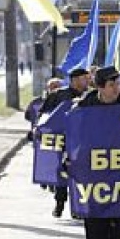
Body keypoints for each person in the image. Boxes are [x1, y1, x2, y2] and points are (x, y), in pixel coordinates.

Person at [71, 66, 120, 239]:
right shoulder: (85, 105)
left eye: (118, 84)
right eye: (112, 85)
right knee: (96, 218)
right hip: (94, 172)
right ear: (100, 87)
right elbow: (73, 135)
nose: (117, 89)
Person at [39, 67, 91, 218]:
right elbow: (45, 115)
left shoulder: (90, 96)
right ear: (74, 80)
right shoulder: (59, 95)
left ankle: (78, 207)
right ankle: (60, 203)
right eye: (84, 78)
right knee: (62, 172)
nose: (87, 81)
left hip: (83, 143)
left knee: (82, 175)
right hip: (62, 141)